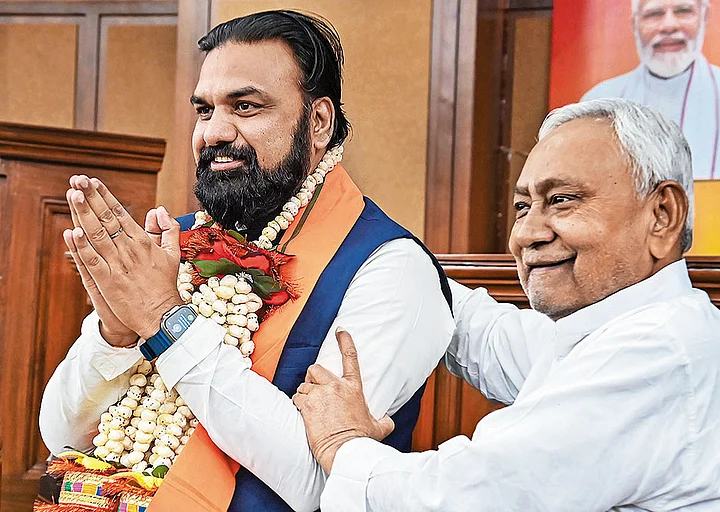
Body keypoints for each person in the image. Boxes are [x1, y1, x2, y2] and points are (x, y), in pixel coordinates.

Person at [39, 10, 454, 512]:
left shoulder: (391, 267)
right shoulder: (178, 242)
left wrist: (167, 322)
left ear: (318, 122)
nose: (214, 132)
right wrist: (116, 335)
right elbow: (61, 436)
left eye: (245, 106)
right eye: (204, 110)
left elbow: (320, 480)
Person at [293, 98, 720, 511]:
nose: (527, 234)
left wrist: (342, 444)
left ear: (662, 215)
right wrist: (369, 257)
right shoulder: (607, 328)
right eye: (523, 207)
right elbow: (480, 330)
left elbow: (469, 497)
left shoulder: (661, 348)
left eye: (561, 200)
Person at [581, 0, 720, 180]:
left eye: (683, 11)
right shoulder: (597, 105)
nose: (669, 26)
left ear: (704, 17)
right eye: (654, 13)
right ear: (635, 24)